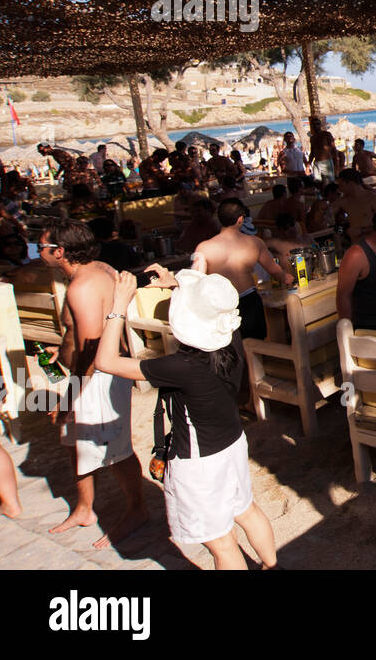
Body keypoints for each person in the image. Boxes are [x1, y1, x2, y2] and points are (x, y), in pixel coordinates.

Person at [93, 265, 279, 569]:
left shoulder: (181, 366)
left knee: (222, 545)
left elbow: (106, 361)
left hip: (199, 464)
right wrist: (177, 284)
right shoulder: (230, 335)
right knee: (247, 511)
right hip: (232, 443)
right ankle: (273, 566)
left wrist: (118, 305)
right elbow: (208, 304)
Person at [38, 220, 148, 548]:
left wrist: (70, 398)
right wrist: (63, 346)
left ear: (60, 252)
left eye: (41, 247)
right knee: (77, 439)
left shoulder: (81, 286)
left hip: (98, 376)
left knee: (115, 449)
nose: (37, 252)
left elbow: (90, 350)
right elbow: (83, 331)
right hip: (94, 371)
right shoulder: (98, 267)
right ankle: (84, 508)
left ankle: (138, 510)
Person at [194, 199, 292, 361]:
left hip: (222, 304)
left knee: (228, 353)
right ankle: (256, 382)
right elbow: (276, 272)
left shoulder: (204, 247)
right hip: (248, 302)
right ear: (241, 219)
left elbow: (196, 279)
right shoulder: (254, 243)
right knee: (255, 351)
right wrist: (288, 278)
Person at [335, 169, 376, 245]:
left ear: (350, 183)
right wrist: (341, 233)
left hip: (375, 244)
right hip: (355, 245)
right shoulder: (342, 202)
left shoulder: (373, 199)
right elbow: (331, 223)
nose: (339, 189)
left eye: (341, 185)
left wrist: (362, 230)